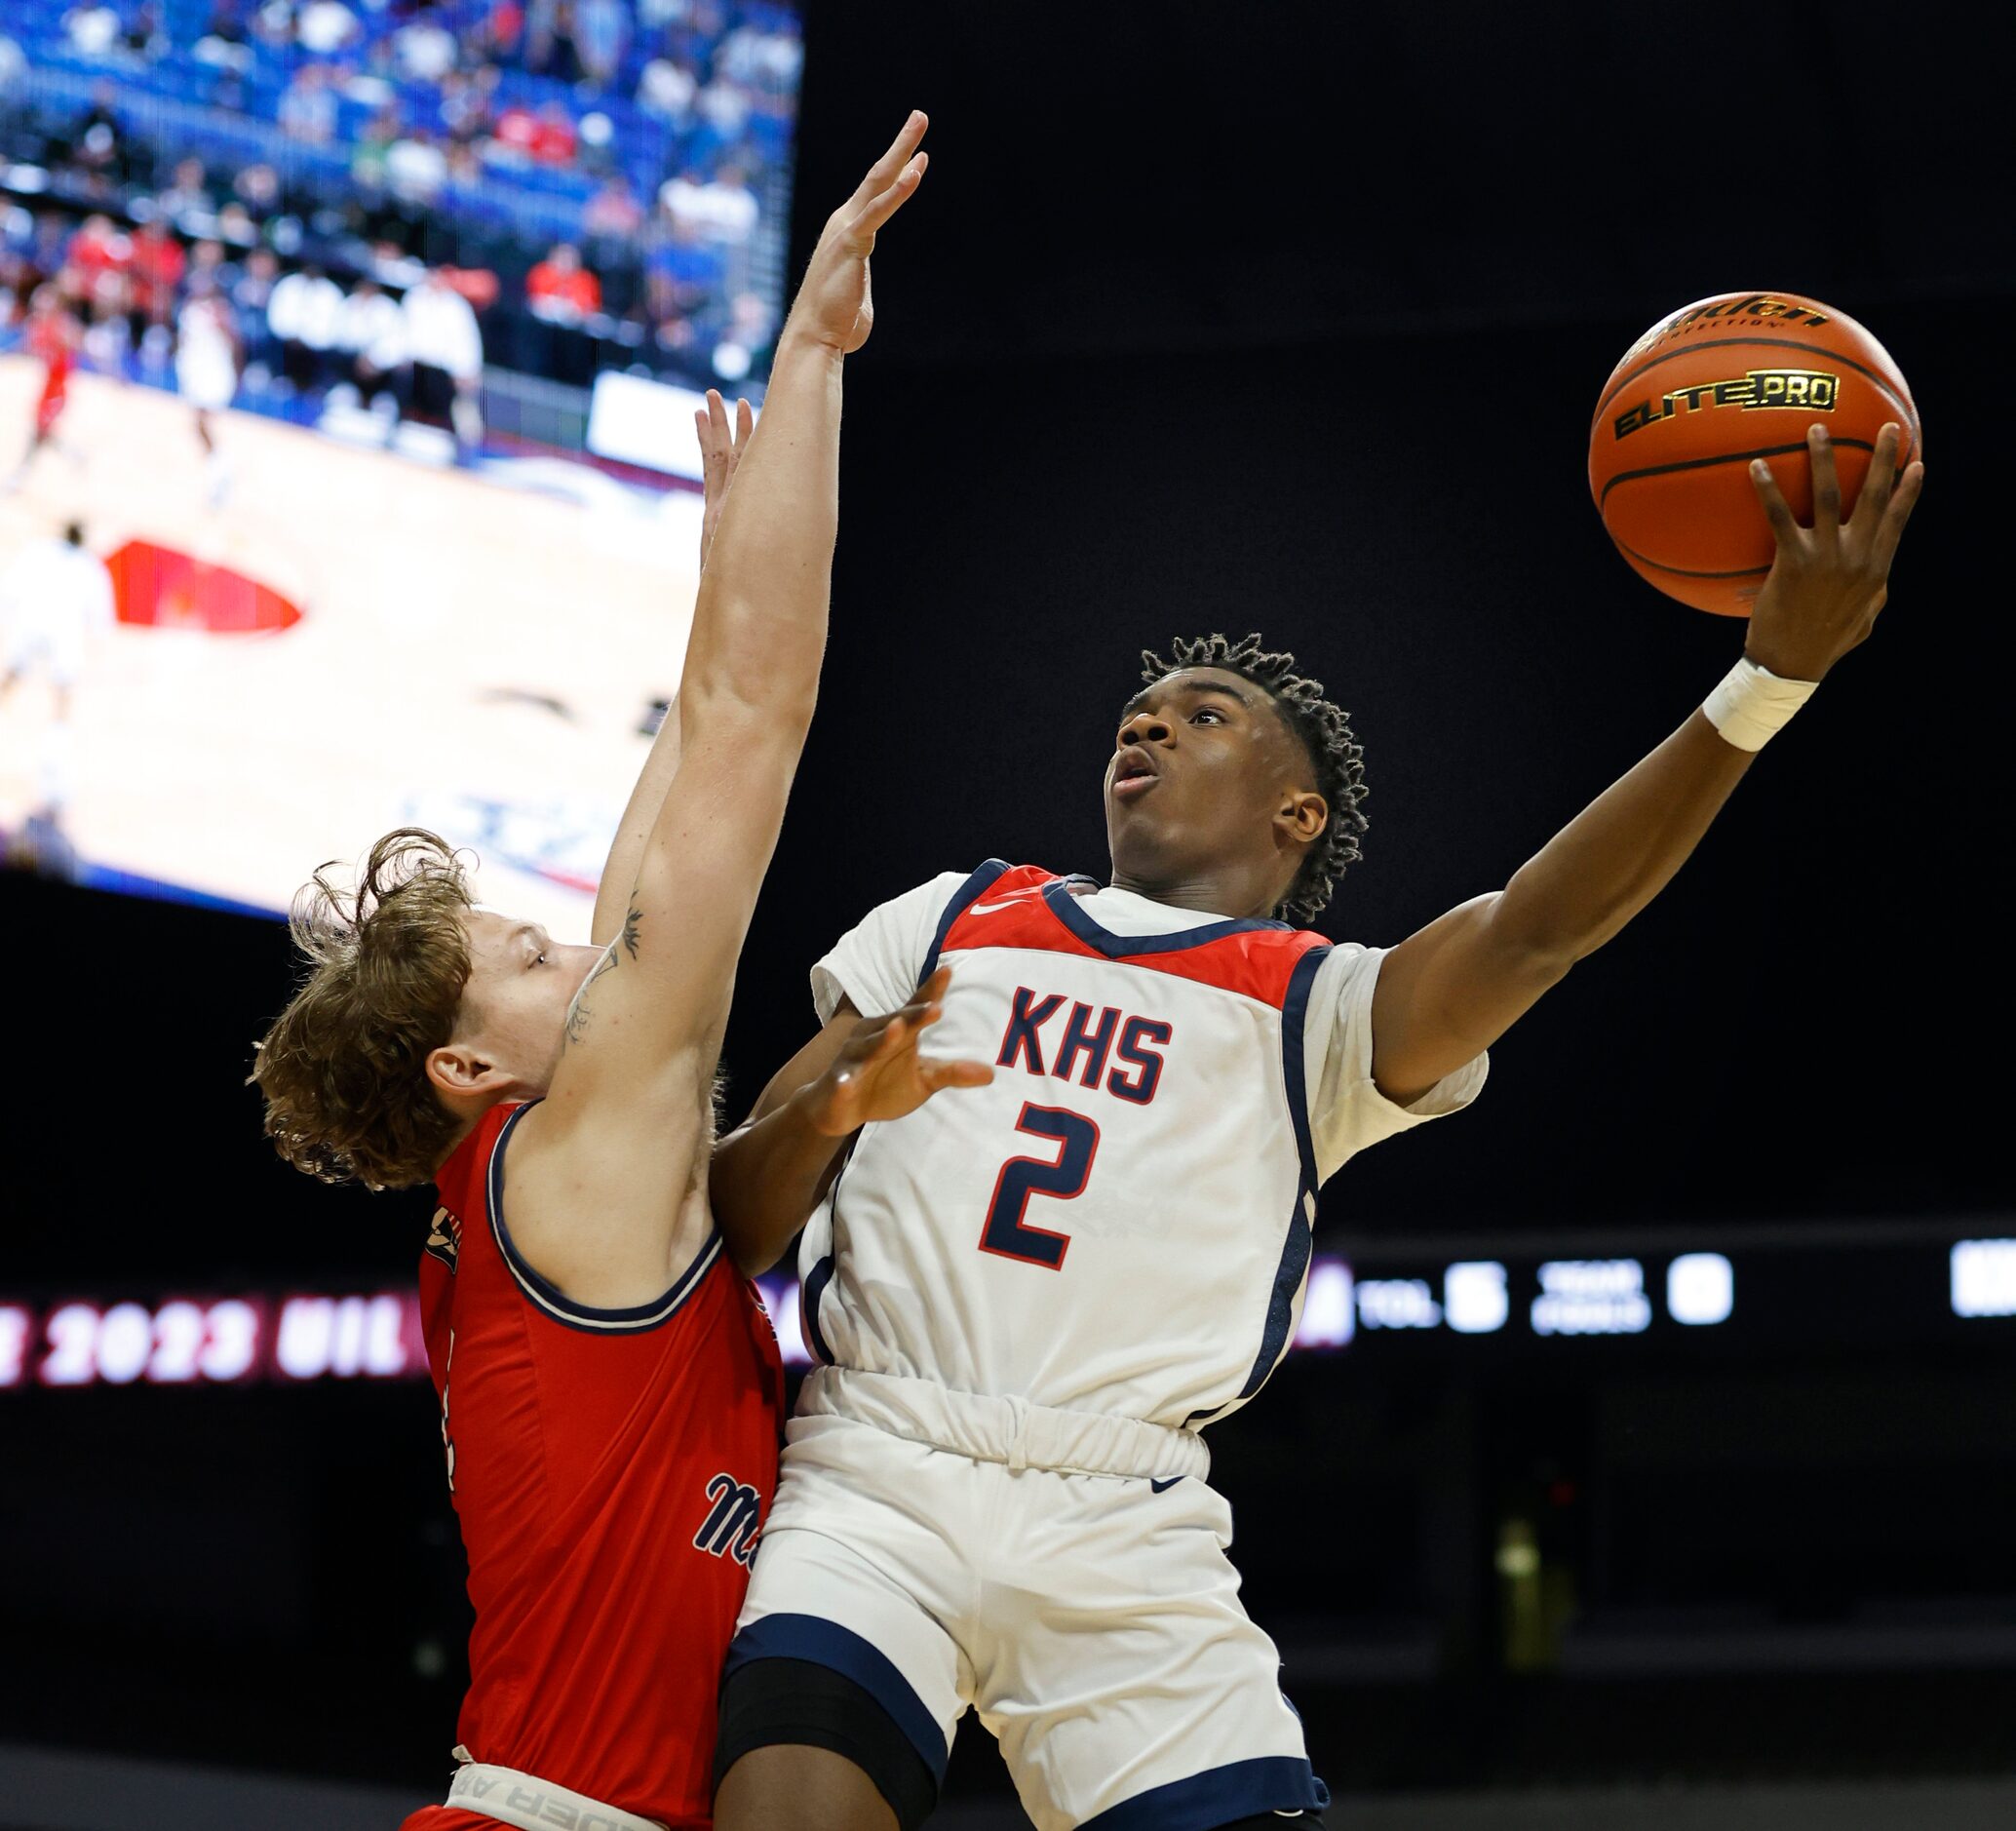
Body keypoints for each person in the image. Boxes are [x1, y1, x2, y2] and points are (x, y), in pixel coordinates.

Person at [704, 423, 1926, 1831]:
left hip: (1124, 1515)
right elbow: (733, 1223)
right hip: (877, 1466)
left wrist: (1768, 680)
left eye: (1203, 711)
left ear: (1299, 810)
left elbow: (1538, 929)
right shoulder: (955, 913)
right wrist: (823, 1115)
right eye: (1139, 710)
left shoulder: (1323, 1009)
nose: (1147, 721)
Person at [249, 114, 938, 1831]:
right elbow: (754, 725)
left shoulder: (534, 1184)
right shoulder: (572, 1156)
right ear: (467, 1070)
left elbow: (682, 763)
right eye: (528, 953)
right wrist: (815, 356)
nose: (578, 940)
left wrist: (718, 584)